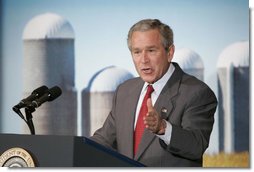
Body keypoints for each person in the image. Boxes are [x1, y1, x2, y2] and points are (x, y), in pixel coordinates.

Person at [90, 19, 217, 167]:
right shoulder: (125, 91)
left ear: (169, 52)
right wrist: (69, 147)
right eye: (137, 52)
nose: (144, 60)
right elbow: (104, 140)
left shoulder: (196, 92)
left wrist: (163, 128)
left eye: (151, 51)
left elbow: (196, 146)